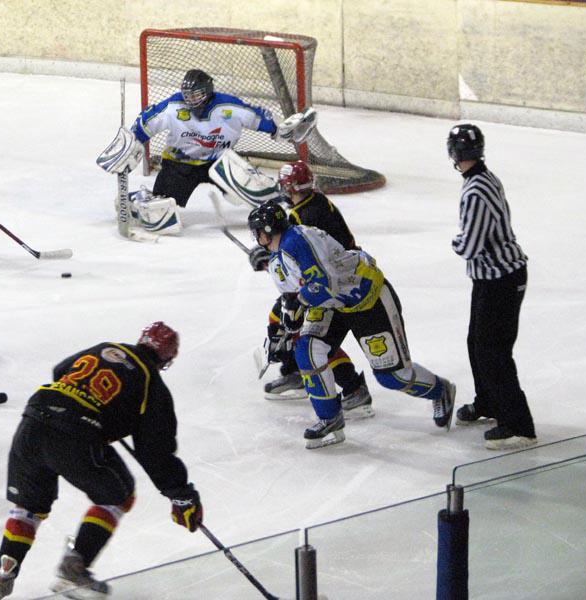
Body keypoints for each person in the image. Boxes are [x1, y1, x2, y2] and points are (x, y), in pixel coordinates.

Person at [0, 322, 203, 599]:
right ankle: (74, 567)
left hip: (33, 422)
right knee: (119, 494)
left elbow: (60, 370)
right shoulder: (152, 383)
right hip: (74, 434)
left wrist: (101, 409)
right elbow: (155, 450)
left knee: (29, 506)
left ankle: (4, 572)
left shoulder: (105, 348)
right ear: (167, 358)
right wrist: (181, 495)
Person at [248, 200, 456, 449]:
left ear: (268, 230)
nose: (256, 238)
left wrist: (296, 308)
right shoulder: (279, 256)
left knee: (391, 376)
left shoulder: (297, 242)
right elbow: (292, 297)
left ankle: (440, 390)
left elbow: (324, 284)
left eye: (257, 232)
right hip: (334, 304)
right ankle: (329, 418)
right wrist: (282, 330)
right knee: (307, 348)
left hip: (367, 299)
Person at [249, 161, 372, 417]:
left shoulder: (301, 218)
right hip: (335, 276)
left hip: (333, 286)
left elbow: (304, 263)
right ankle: (296, 370)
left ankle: (352, 386)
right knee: (281, 320)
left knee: (310, 337)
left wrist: (270, 260)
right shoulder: (316, 203)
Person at [447, 124, 536, 450]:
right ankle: (489, 402)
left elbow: (469, 246)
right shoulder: (484, 178)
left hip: (502, 279)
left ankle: (519, 426)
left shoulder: (475, 191)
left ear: (453, 153)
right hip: (491, 277)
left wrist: (455, 242)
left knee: (493, 351)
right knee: (477, 343)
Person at [130, 69, 278, 209]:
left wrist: (278, 128)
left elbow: (259, 117)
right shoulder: (174, 105)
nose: (190, 100)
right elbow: (147, 121)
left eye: (196, 95)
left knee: (263, 195)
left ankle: (277, 203)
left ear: (207, 91)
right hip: (179, 164)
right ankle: (142, 201)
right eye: (187, 96)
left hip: (219, 162)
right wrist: (132, 141)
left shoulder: (231, 106)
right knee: (162, 208)